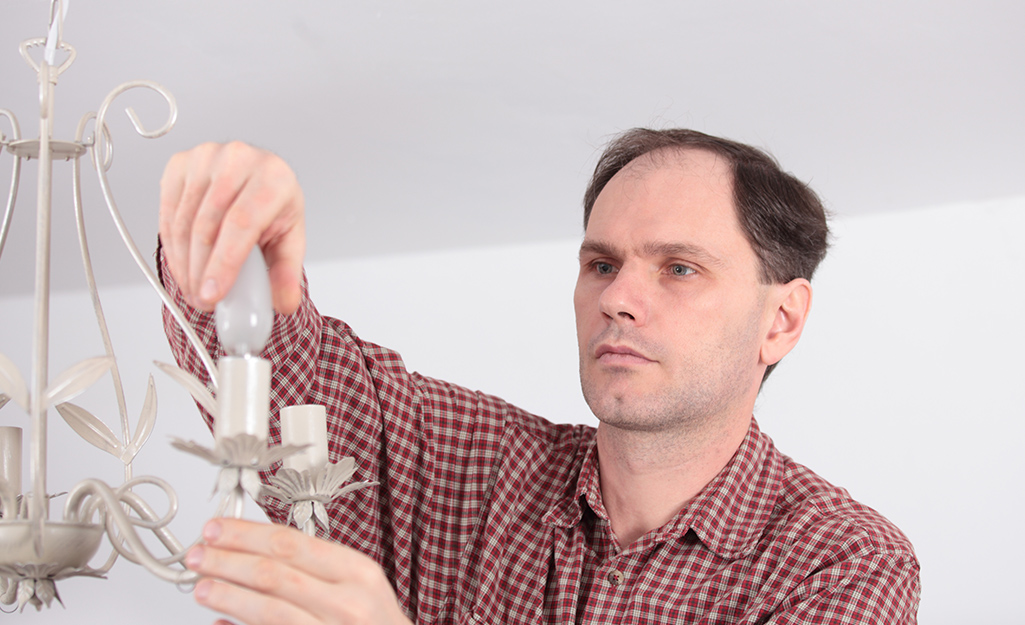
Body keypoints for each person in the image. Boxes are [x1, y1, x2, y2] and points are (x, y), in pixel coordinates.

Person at [158, 129, 921, 624]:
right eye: (601, 263)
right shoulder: (463, 461)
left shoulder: (841, 564)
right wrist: (231, 237)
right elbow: (279, 379)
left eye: (678, 268)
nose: (618, 298)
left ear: (780, 321)